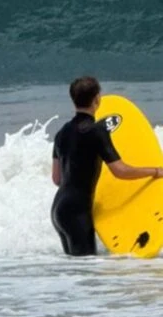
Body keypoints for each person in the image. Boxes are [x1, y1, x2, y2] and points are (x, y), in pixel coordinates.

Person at [51, 76, 163, 257]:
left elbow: (57, 179)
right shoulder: (96, 131)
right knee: (87, 274)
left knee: (74, 274)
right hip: (79, 212)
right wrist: (156, 171)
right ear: (97, 99)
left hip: (58, 211)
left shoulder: (61, 133)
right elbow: (121, 171)